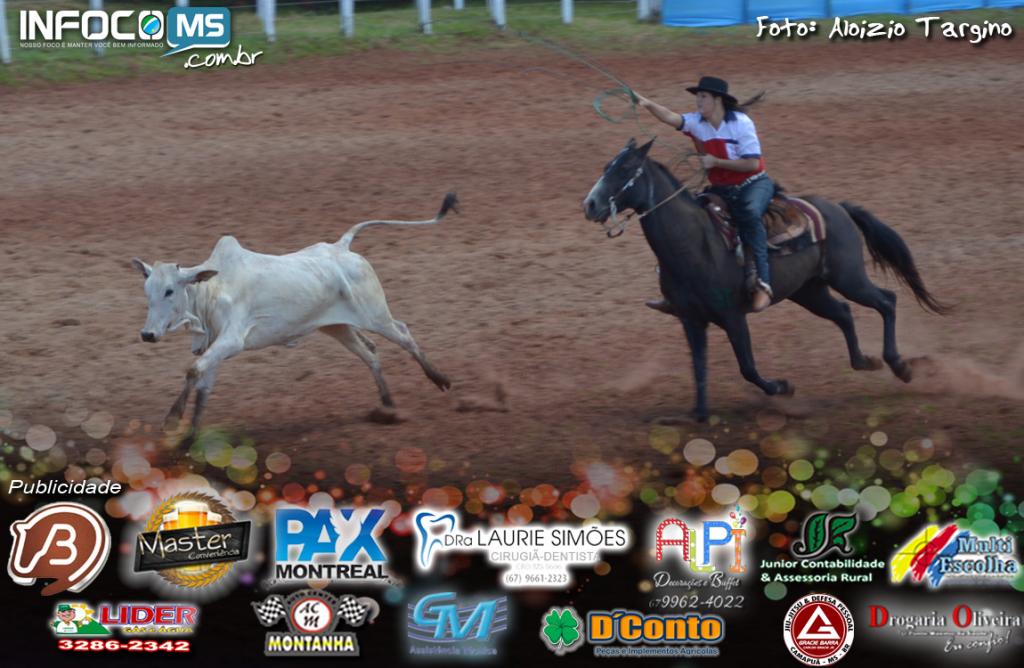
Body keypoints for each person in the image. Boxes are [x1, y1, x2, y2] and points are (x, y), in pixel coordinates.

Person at [637, 76, 774, 313]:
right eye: (697, 97)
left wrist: (716, 162)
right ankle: (672, 291)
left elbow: (752, 164)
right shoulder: (698, 122)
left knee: (750, 214)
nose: (698, 101)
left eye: (703, 97)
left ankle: (763, 283)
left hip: (753, 184)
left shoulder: (741, 123)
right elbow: (671, 117)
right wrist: (647, 103)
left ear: (717, 100)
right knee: (686, 218)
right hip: (722, 188)